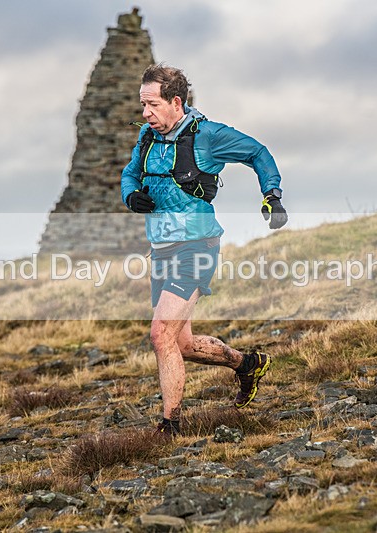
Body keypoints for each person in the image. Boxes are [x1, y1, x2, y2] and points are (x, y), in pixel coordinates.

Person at [121, 64, 288, 437]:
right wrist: (131, 196)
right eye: (142, 105)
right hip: (162, 248)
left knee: (160, 334)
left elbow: (257, 152)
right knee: (182, 342)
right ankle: (247, 364)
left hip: (196, 246)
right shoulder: (147, 138)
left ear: (175, 102)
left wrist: (271, 195)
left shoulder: (208, 136)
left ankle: (170, 426)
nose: (145, 113)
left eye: (151, 105)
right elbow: (130, 172)